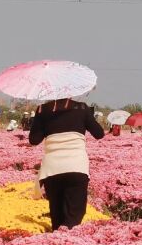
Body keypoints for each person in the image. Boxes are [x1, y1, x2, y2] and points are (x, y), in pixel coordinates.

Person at [29, 98, 104, 231]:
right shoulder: (81, 108)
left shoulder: (43, 109)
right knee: (75, 215)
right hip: (76, 166)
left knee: (57, 216)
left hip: (52, 169)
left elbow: (34, 140)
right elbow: (99, 134)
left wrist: (44, 121)